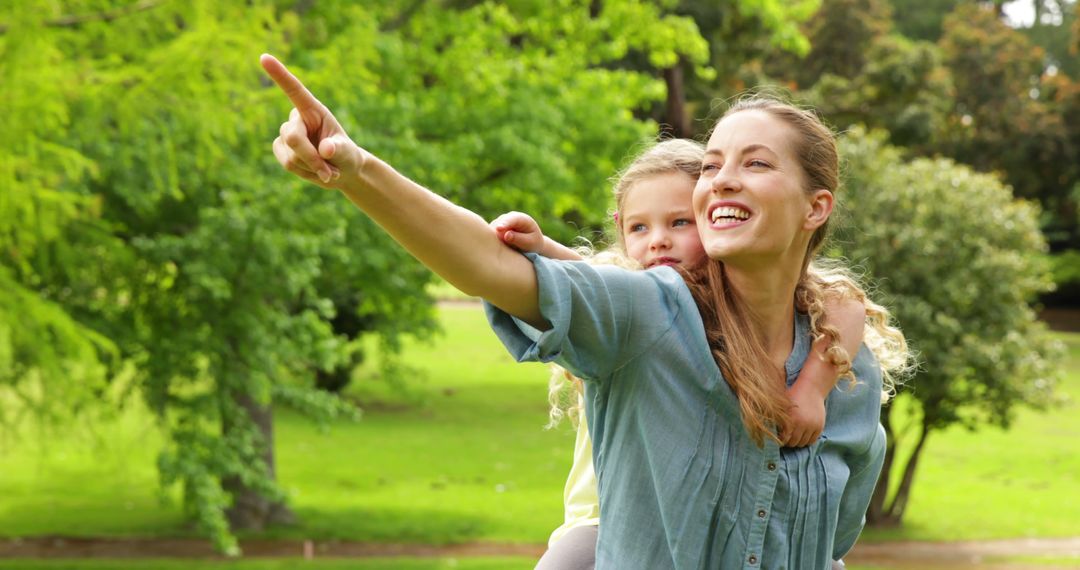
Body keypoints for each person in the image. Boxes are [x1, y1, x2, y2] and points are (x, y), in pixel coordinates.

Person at [260, 54, 908, 569]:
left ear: (815, 207)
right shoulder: (648, 315)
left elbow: (826, 547)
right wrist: (356, 169)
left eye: (755, 163)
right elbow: (487, 265)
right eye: (711, 166)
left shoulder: (847, 376)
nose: (723, 180)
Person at [488, 138, 871, 570]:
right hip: (601, 526)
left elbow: (845, 304)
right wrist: (542, 250)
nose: (657, 242)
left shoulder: (762, 303)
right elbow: (585, 281)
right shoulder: (636, 305)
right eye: (639, 228)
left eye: (679, 223)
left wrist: (812, 388)